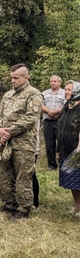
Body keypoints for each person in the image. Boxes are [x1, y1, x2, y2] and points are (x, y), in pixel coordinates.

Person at [0, 63, 43, 220]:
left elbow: (30, 118)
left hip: (23, 143)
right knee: (4, 174)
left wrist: (10, 131)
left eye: (16, 78)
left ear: (26, 77)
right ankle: (9, 204)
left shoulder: (33, 94)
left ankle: (24, 207)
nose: (12, 81)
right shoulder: (8, 95)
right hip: (5, 142)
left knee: (23, 176)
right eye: (11, 78)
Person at [56, 81, 80, 214]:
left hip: (78, 151)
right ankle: (77, 206)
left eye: (69, 90)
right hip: (66, 148)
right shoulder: (67, 107)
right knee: (73, 180)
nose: (66, 92)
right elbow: (61, 126)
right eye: (65, 89)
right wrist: (58, 149)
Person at [41, 75, 66, 170]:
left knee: (62, 142)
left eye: (55, 81)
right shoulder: (45, 93)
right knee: (49, 144)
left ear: (60, 82)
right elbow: (40, 104)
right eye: (51, 81)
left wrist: (54, 112)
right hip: (48, 122)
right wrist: (48, 112)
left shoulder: (64, 93)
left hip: (60, 121)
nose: (53, 83)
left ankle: (63, 163)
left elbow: (66, 105)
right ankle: (52, 164)